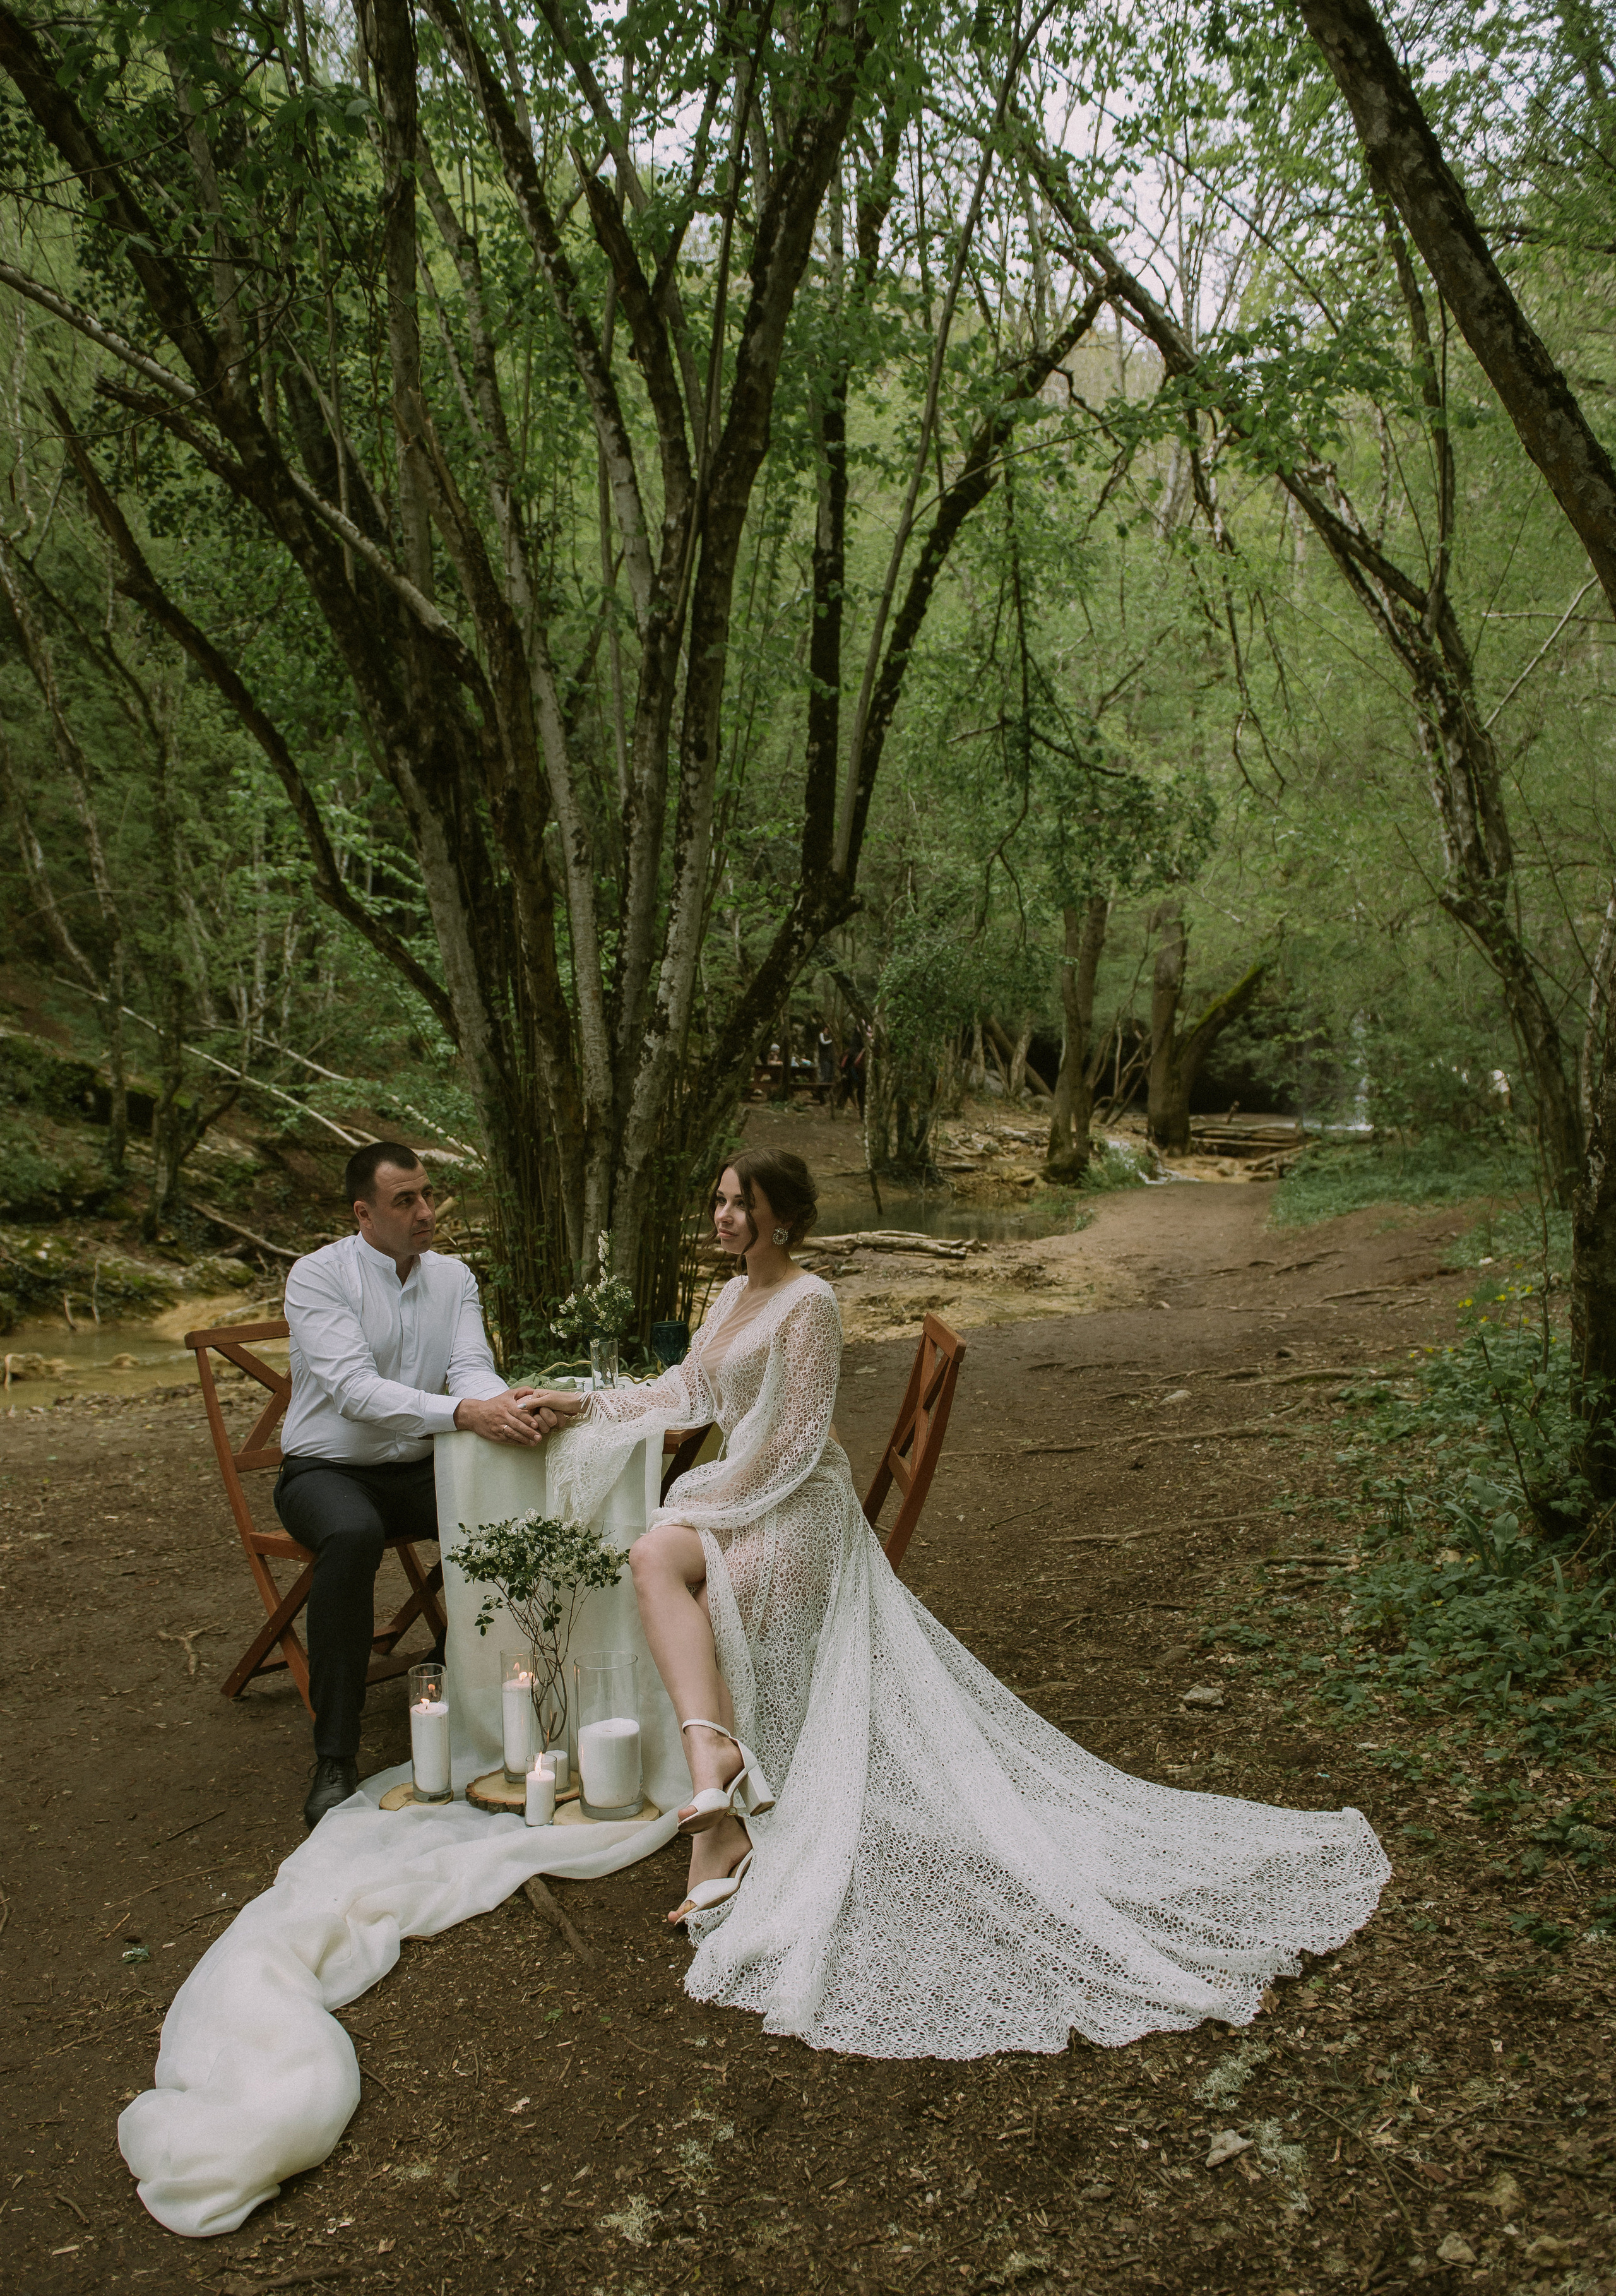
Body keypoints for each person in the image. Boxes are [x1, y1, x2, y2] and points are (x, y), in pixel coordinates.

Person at [539, 1147, 1389, 2059]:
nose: (722, 1217)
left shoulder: (810, 1304)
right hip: (744, 1497)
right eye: (716, 1200)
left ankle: (723, 1813)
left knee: (692, 1568)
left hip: (797, 1506)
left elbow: (790, 1447)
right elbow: (685, 1393)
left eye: (738, 1204)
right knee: (649, 1555)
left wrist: (699, 1501)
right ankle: (716, 1764)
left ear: (781, 1216)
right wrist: (581, 1406)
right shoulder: (723, 1299)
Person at [278, 1141, 580, 1829]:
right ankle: (335, 1754)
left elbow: (471, 1366)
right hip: (326, 1470)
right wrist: (464, 1411)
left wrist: (501, 1404)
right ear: (364, 1213)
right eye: (404, 1200)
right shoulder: (317, 1276)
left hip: (417, 1463)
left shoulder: (453, 1277)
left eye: (427, 1195)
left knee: (506, 1510)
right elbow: (353, 1392)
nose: (426, 1211)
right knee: (352, 1535)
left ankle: (455, 1683)